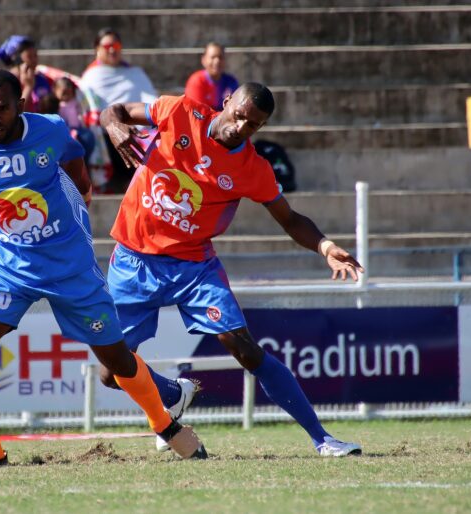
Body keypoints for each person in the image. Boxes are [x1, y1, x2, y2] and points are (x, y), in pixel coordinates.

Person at [0, 68, 206, 467]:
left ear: (20, 106)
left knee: (116, 361)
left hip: (69, 267)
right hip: (6, 271)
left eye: (3, 110)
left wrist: (81, 196)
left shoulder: (50, 130)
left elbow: (76, 160)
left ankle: (167, 426)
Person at [99, 83, 364, 457]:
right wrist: (114, 127)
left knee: (244, 348)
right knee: (111, 372)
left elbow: (288, 218)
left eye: (253, 125)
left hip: (194, 265)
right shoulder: (179, 111)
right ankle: (172, 394)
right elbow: (116, 111)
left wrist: (324, 246)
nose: (241, 127)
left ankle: (323, 439)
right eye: (239, 115)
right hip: (133, 260)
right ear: (226, 103)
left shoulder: (252, 169)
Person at [80, 28, 158, 193]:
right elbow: (90, 110)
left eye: (115, 44)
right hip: (108, 132)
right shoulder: (91, 76)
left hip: (139, 128)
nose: (112, 49)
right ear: (97, 49)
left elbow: (152, 101)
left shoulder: (135, 73)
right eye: (107, 45)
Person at [0, 35, 52, 113]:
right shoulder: (6, 82)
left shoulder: (41, 79)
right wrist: (28, 87)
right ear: (16, 58)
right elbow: (14, 114)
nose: (34, 60)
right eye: (29, 56)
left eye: (35, 56)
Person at [54, 76, 96, 170]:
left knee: (89, 138)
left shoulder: (76, 101)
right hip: (67, 131)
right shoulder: (57, 106)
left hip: (80, 129)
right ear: (55, 92)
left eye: (69, 92)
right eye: (64, 93)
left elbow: (85, 109)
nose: (67, 96)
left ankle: (85, 162)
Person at [185, 42, 239, 111]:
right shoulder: (196, 81)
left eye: (220, 57)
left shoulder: (231, 82)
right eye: (213, 57)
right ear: (204, 60)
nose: (217, 61)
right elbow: (196, 112)